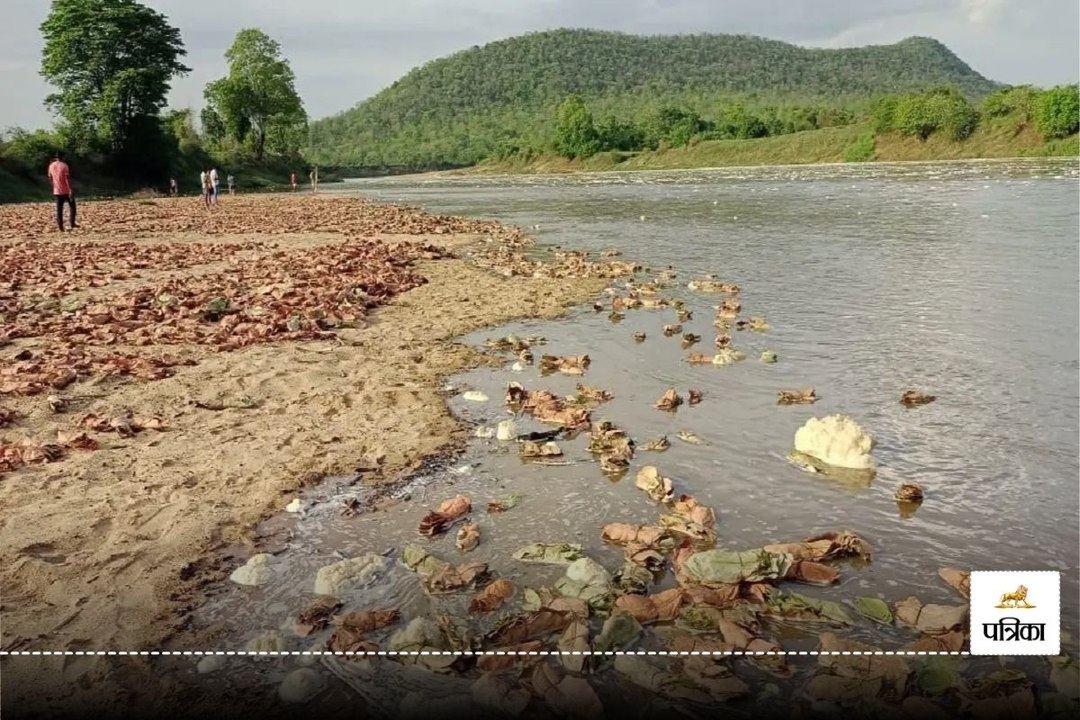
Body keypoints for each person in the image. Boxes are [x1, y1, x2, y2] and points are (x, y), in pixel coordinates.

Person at [48, 151, 77, 231]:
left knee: (59, 209)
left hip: (57, 191)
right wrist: (71, 189)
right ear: (63, 157)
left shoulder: (51, 165)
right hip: (66, 190)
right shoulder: (64, 166)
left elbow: (50, 177)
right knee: (72, 206)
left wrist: (53, 186)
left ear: (56, 157)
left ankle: (60, 226)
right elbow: (67, 179)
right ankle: (72, 222)